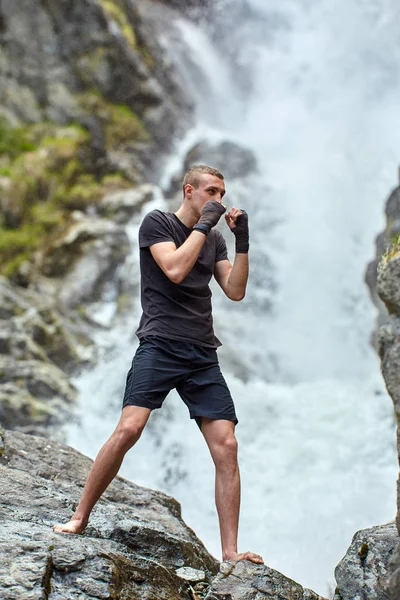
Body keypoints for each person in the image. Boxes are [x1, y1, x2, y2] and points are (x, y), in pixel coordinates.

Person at [54, 165, 263, 564]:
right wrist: (205, 223)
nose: (218, 199)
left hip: (201, 352)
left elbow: (235, 291)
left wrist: (242, 242)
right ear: (189, 190)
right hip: (160, 343)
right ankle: (79, 517)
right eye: (211, 191)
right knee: (129, 428)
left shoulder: (215, 239)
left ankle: (231, 552)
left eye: (222, 192)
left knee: (227, 445)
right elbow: (174, 268)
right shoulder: (157, 223)